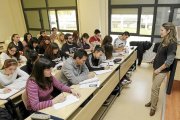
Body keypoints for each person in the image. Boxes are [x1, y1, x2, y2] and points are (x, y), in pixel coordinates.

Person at [145, 22, 177, 116]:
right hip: (156, 67)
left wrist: (159, 70)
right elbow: (160, 53)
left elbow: (169, 61)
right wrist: (154, 59)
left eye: (162, 30)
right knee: (154, 87)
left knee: (155, 88)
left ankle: (153, 108)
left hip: (161, 70)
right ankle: (152, 101)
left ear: (168, 31)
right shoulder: (164, 40)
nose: (160, 31)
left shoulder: (172, 44)